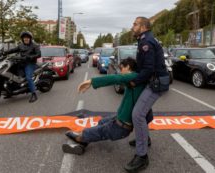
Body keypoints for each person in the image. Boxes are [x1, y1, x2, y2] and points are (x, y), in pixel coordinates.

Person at [62, 58, 145, 155]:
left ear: (128, 67)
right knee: (101, 122)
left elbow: (116, 78)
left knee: (101, 131)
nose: (120, 72)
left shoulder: (134, 77)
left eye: (122, 68)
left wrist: (91, 81)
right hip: (119, 119)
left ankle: (81, 138)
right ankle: (86, 138)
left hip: (121, 127)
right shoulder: (135, 80)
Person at [125, 16, 169, 173]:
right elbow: (144, 65)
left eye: (135, 24)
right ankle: (145, 139)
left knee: (137, 115)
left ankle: (142, 156)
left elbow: (149, 69)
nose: (132, 26)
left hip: (156, 83)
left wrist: (134, 82)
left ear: (143, 27)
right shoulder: (145, 39)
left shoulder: (146, 42)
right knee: (143, 110)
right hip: (153, 80)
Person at [3, 31, 41, 103]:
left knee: (28, 78)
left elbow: (39, 54)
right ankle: (11, 90)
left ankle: (34, 94)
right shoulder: (21, 45)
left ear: (30, 38)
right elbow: (13, 50)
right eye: (24, 38)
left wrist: (29, 57)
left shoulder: (35, 45)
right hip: (21, 63)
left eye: (27, 38)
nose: (26, 39)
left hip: (30, 64)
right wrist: (5, 52)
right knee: (11, 74)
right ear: (22, 39)